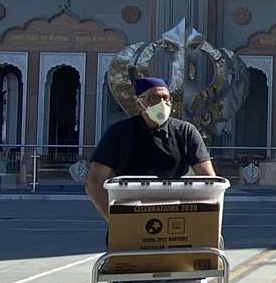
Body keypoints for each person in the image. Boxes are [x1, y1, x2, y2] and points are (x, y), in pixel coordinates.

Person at [84, 76, 216, 221]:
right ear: (139, 103)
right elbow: (94, 182)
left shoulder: (186, 132)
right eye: (154, 98)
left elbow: (209, 180)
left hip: (176, 218)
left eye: (166, 98)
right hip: (131, 218)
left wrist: (205, 221)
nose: (162, 103)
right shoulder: (118, 133)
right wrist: (115, 221)